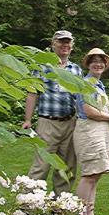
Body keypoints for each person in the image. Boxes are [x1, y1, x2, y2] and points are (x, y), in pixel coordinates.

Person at [22, 30, 82, 195]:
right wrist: (27, 119)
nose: (65, 45)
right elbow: (32, 92)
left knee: (67, 165)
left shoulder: (76, 69)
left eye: (68, 42)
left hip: (71, 122)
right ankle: (28, 205)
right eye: (61, 41)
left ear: (72, 46)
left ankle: (60, 207)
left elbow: (81, 97)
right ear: (53, 44)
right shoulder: (42, 67)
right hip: (47, 122)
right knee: (41, 165)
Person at [73, 48, 109, 215]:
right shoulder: (85, 84)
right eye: (94, 60)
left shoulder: (98, 85)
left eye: (101, 60)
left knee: (96, 174)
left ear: (105, 64)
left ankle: (90, 213)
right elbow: (88, 111)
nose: (98, 63)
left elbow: (99, 110)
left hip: (99, 131)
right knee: (89, 174)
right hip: (89, 132)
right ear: (88, 64)